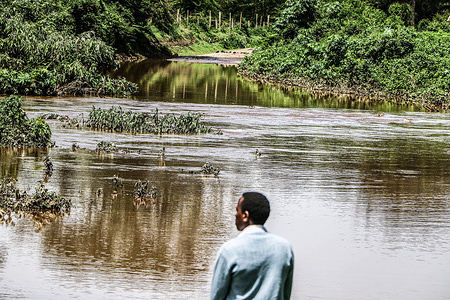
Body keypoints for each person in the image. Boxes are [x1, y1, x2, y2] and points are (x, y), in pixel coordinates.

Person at [211, 192, 294, 300]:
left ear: (245, 215)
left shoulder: (229, 250)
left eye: (237, 210)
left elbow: (217, 296)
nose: (235, 215)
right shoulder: (284, 248)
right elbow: (286, 294)